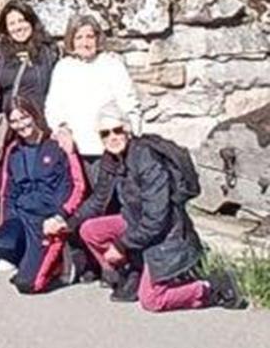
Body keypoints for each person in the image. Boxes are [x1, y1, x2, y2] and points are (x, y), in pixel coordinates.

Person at [56, 106, 246, 312]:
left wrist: (121, 245)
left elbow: (156, 219)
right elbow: (97, 200)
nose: (112, 137)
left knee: (152, 300)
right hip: (135, 223)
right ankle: (132, 275)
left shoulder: (147, 159)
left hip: (168, 234)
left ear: (128, 130)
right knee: (90, 230)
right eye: (105, 133)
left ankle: (212, 288)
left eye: (117, 130)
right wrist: (68, 222)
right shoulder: (111, 160)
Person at [0, 97, 87, 293]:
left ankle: (63, 258)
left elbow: (78, 186)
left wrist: (60, 217)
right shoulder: (13, 150)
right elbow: (7, 191)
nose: (21, 125)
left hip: (48, 221)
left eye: (24, 118)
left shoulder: (57, 145)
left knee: (28, 285)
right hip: (22, 215)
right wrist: (7, 222)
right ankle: (28, 259)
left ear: (34, 115)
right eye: (14, 121)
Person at [44, 15, 142, 180]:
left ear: (97, 38)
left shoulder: (112, 64)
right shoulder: (63, 68)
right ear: (71, 40)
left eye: (90, 36)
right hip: (74, 150)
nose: (85, 43)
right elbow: (53, 107)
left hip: (108, 149)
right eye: (79, 37)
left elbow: (129, 103)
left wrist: (131, 134)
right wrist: (61, 128)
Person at [0, 0, 60, 115]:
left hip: (41, 118)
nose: (18, 27)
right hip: (13, 121)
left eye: (21, 21)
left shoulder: (48, 52)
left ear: (31, 22)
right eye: (12, 23)